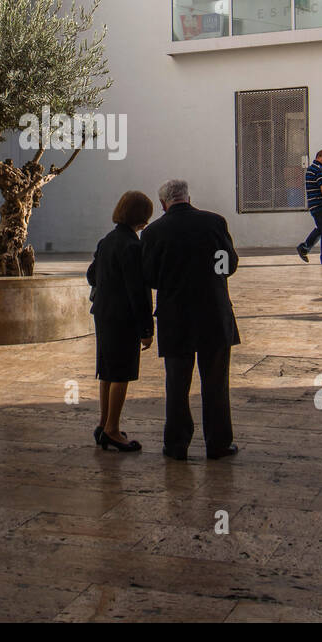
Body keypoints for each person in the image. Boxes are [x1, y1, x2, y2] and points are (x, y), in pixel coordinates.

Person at [141, 179, 240, 462]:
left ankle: (176, 445)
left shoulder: (153, 232)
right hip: (213, 313)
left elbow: (149, 277)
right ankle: (218, 443)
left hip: (176, 316)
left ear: (163, 204)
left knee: (177, 385)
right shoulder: (214, 223)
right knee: (216, 383)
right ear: (188, 197)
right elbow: (228, 265)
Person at [85, 191, 154, 452]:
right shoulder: (133, 246)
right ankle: (113, 429)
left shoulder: (107, 240)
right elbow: (138, 292)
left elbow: (91, 275)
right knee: (121, 373)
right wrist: (146, 329)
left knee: (106, 370)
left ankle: (104, 424)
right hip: (123, 318)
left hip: (102, 313)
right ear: (140, 217)